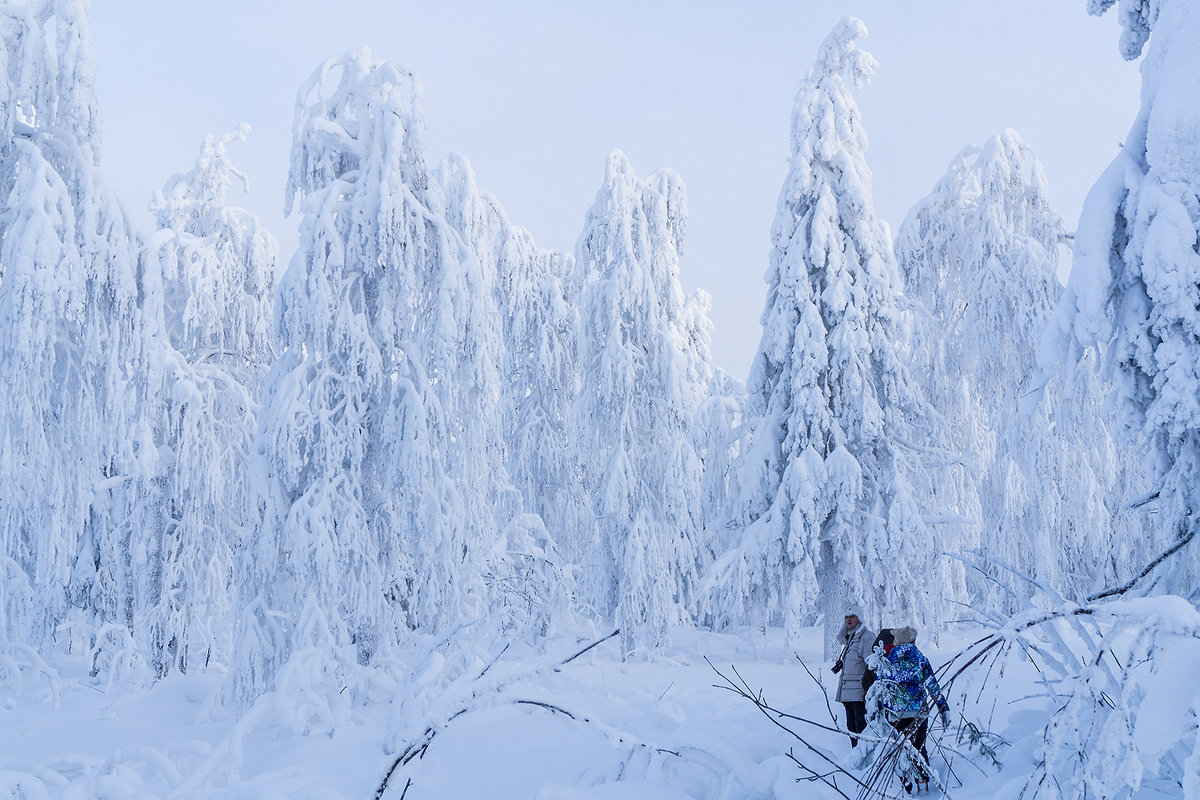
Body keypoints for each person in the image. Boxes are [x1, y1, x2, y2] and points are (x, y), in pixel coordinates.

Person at [884, 626, 950, 794]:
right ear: (913, 641)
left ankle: (904, 785)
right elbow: (932, 685)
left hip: (896, 713)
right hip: (918, 712)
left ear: (897, 641)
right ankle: (923, 783)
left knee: (900, 749)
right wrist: (943, 708)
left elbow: (882, 687)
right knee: (919, 747)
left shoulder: (889, 660)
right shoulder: (921, 659)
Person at [833, 611, 875, 748]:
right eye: (846, 617)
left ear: (860, 619)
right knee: (851, 727)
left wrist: (866, 690)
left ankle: (864, 759)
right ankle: (855, 756)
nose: (848, 620)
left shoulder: (867, 637)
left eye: (852, 617)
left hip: (859, 692)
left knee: (861, 727)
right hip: (847, 691)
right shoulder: (850, 638)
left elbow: (871, 665)